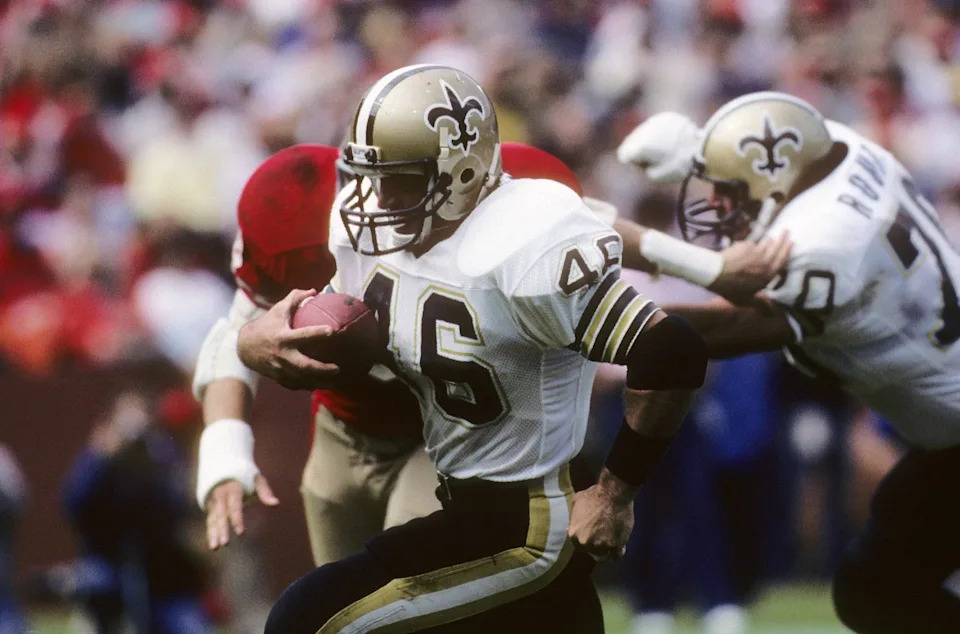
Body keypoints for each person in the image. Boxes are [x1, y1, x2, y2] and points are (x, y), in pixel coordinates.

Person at [238, 63, 707, 634]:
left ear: (459, 173)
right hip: (462, 499)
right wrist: (256, 339)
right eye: (372, 174)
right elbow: (336, 315)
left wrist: (614, 494)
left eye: (401, 177)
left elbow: (672, 349)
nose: (378, 195)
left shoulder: (522, 240)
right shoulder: (375, 234)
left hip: (528, 518)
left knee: (306, 620)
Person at [194, 139, 779, 573]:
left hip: (450, 433)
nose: (380, 204)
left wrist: (712, 271)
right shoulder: (290, 212)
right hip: (346, 428)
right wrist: (225, 447)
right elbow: (238, 328)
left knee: (411, 580)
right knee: (340, 597)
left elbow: (591, 231)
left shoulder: (495, 194)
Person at [611, 91, 960, 634]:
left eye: (730, 193)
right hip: (945, 446)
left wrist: (592, 318)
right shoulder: (845, 148)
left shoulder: (824, 246)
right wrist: (699, 148)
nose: (720, 206)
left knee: (878, 589)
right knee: (875, 588)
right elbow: (782, 134)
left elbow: (728, 327)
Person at [61, 391, 212, 634]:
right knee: (97, 586)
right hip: (108, 564)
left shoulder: (162, 454)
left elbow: (177, 507)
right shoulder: (98, 456)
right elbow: (74, 504)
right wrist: (102, 458)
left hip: (162, 573)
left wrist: (150, 468)